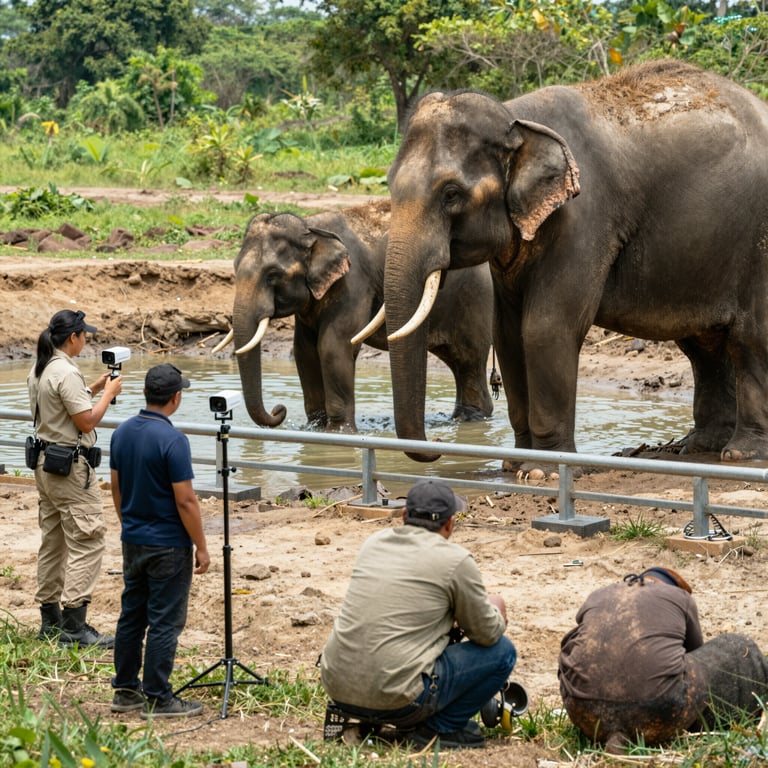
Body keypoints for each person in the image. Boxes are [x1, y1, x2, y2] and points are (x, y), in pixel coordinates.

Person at [320, 478, 517, 750]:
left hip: (337, 686)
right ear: (450, 523)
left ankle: (365, 718)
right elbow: (486, 634)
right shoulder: (456, 560)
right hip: (398, 699)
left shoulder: (373, 543)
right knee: (503, 652)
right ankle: (440, 729)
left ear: (403, 515)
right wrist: (496, 607)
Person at [558, 566, 768, 754]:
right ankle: (732, 715)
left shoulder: (599, 595)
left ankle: (617, 733)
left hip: (583, 711)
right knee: (738, 646)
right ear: (673, 586)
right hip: (656, 712)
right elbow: (695, 652)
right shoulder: (679, 597)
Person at [109, 363, 210, 719]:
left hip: (133, 538)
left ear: (145, 393)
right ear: (176, 398)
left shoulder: (121, 432)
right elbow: (186, 501)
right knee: (165, 621)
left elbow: (116, 488)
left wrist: (128, 522)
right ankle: (157, 697)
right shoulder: (173, 440)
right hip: (168, 544)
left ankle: (125, 690)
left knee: (132, 616)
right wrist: (202, 545)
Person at [27, 309, 123, 647]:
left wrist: (94, 387)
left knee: (53, 542)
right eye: (84, 336)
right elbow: (86, 422)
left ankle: (50, 621)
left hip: (45, 465)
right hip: (69, 469)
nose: (86, 341)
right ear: (73, 337)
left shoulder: (42, 367)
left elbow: (60, 410)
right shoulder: (66, 372)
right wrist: (109, 394)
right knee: (88, 539)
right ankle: (74, 625)